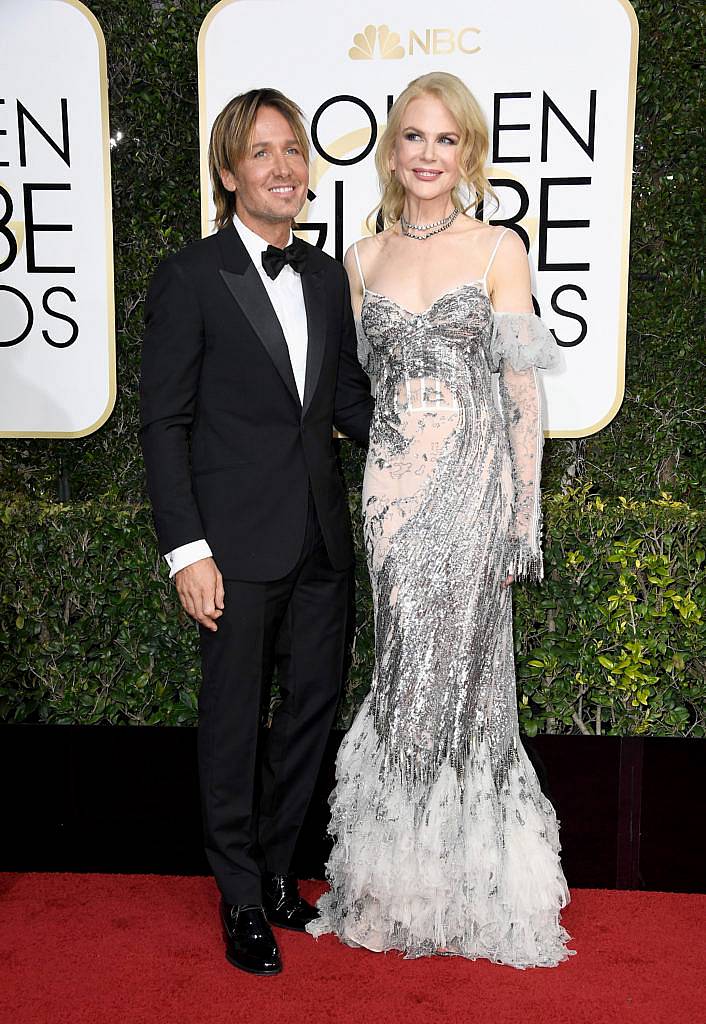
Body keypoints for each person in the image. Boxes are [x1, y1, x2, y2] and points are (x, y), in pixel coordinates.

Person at [307, 72, 574, 968]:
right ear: (392, 149)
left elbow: (521, 392)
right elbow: (354, 390)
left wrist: (522, 513)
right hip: (392, 498)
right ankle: (396, 887)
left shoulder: (498, 249)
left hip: (473, 492)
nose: (428, 155)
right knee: (404, 675)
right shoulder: (360, 258)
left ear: (468, 153)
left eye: (446, 140)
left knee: (464, 684)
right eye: (414, 138)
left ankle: (473, 889)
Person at [140, 88, 373, 976]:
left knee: (309, 715)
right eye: (263, 153)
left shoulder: (321, 274)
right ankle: (239, 897)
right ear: (231, 173)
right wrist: (187, 552)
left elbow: (344, 399)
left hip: (320, 538)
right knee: (235, 723)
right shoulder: (192, 275)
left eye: (294, 151)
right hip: (233, 548)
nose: (284, 167)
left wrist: (431, 418)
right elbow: (164, 424)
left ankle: (279, 870)